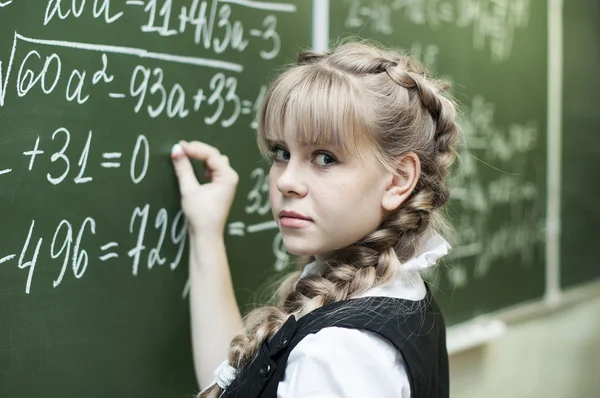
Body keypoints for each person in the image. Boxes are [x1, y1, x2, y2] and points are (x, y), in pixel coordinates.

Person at [170, 41, 460, 398]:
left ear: (398, 179)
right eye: (281, 153)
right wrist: (207, 232)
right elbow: (235, 385)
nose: (287, 181)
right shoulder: (392, 296)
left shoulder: (339, 355)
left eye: (325, 158)